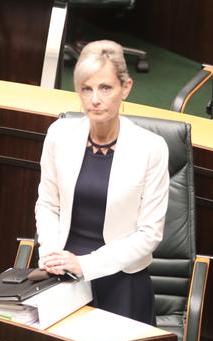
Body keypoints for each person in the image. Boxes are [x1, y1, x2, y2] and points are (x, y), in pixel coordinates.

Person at [34, 40, 169, 325]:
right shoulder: (59, 134)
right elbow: (47, 204)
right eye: (86, 88)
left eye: (105, 88)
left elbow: (149, 234)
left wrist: (86, 264)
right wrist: (50, 254)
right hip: (63, 277)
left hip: (122, 280)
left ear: (126, 88)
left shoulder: (151, 148)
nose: (95, 99)